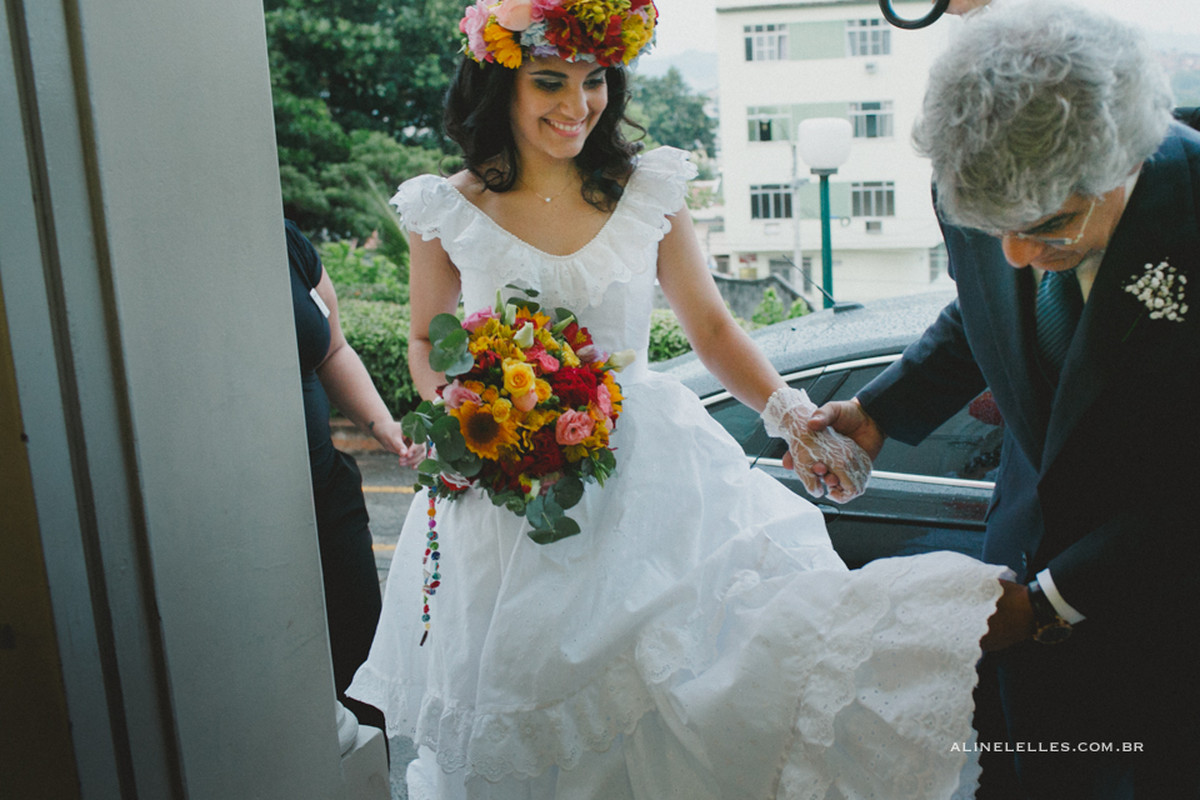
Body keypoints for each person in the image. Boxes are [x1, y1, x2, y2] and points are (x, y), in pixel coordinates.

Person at [348, 3, 1006, 797]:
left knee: (688, 692)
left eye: (593, 82)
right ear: (498, 86)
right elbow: (426, 341)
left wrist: (790, 414)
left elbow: (714, 327)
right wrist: (467, 412)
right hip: (507, 496)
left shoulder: (644, 186)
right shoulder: (447, 208)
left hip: (651, 478)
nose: (576, 105)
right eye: (549, 83)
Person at [804, 3, 1200, 797]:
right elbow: (983, 313)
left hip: (1166, 612)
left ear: (1126, 160)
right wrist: (883, 411)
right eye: (997, 229)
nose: (1019, 254)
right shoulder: (974, 178)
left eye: (1050, 225)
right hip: (1014, 569)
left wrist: (1051, 603)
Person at [286, 219, 426, 732]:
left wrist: (383, 424)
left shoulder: (286, 241)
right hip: (253, 513)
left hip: (327, 496)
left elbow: (333, 350)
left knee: (363, 674)